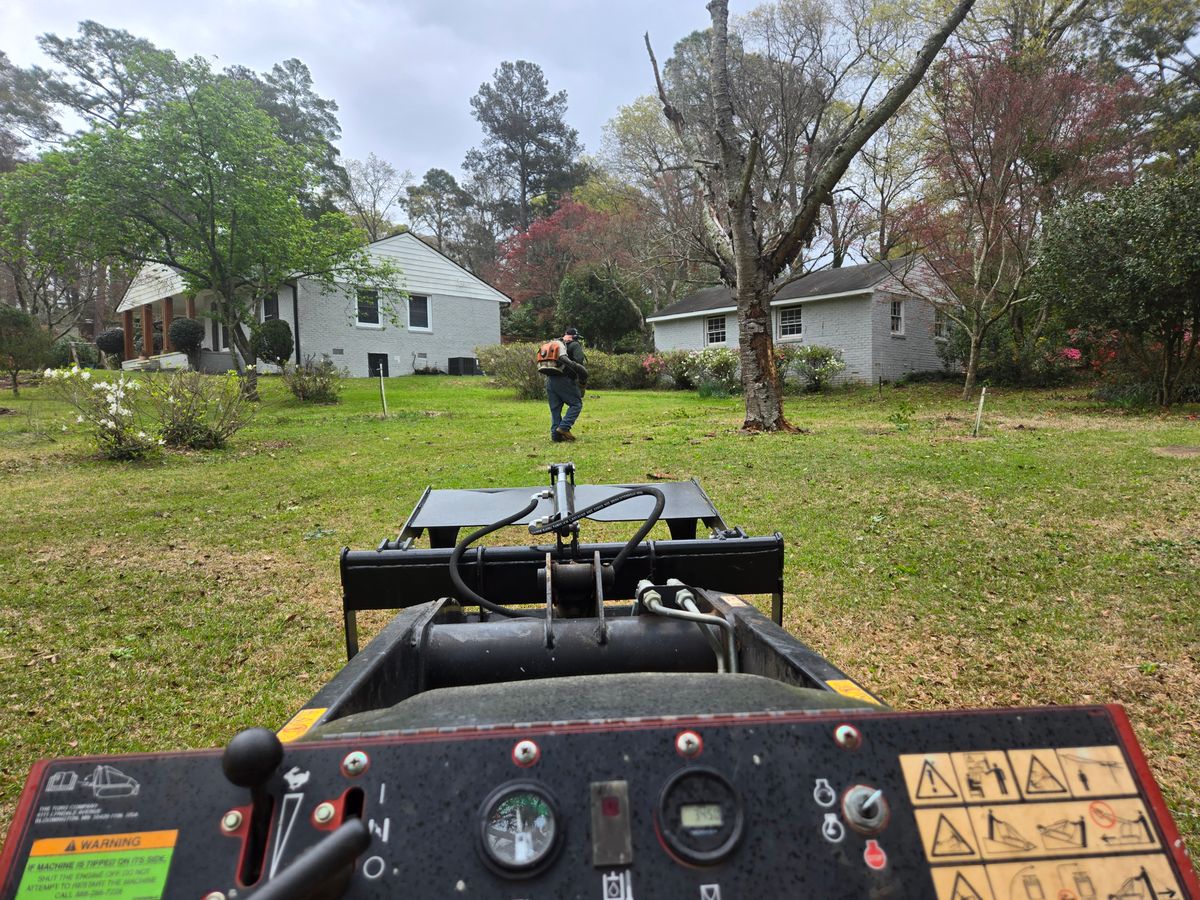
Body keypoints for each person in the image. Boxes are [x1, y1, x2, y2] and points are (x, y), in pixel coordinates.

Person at [545, 327, 587, 442]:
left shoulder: (555, 344)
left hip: (550, 380)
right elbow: (579, 361)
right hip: (564, 380)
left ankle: (556, 436)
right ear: (575, 336)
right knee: (576, 404)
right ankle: (564, 427)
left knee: (555, 409)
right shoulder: (574, 345)